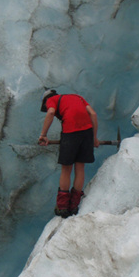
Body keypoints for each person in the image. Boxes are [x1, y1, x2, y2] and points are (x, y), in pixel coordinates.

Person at [38, 89, 99, 218]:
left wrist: (43, 135)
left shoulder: (51, 100)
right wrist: (94, 138)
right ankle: (74, 205)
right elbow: (93, 114)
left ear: (46, 100)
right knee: (80, 167)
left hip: (70, 132)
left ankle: (63, 207)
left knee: (66, 169)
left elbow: (51, 112)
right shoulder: (77, 96)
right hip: (87, 132)